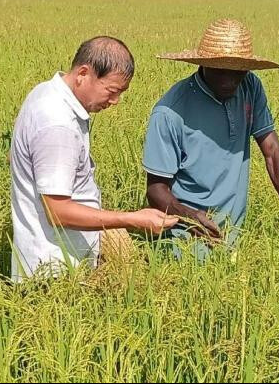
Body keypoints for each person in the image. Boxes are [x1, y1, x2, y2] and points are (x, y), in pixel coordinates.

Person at [142, 19, 279, 260]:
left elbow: (272, 151)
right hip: (186, 243)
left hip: (237, 238)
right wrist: (190, 217)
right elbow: (156, 189)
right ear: (203, 65)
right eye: (220, 71)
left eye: (237, 72)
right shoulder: (170, 112)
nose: (229, 81)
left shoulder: (250, 87)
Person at [9, 36, 177, 281]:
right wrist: (130, 219)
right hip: (54, 272)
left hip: (63, 261)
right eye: (111, 91)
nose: (115, 101)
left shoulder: (45, 92)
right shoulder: (58, 124)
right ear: (83, 73)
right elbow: (58, 212)